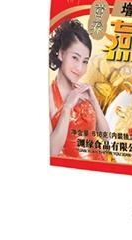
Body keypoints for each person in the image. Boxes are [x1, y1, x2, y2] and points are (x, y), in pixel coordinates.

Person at [49, 19, 109, 160]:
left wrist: (94, 101)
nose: (79, 68)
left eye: (85, 61)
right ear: (61, 54)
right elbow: (51, 152)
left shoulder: (84, 91)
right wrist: (67, 107)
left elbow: (107, 138)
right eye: (75, 58)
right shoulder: (47, 96)